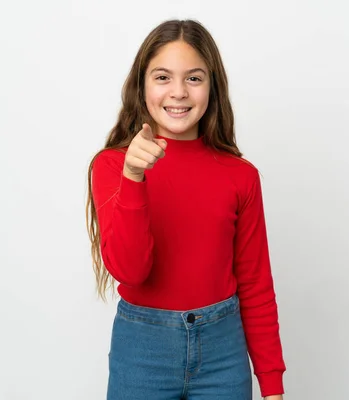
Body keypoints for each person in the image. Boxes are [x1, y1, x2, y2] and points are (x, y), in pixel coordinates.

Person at [86, 19, 286, 400]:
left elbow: (257, 285)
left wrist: (272, 385)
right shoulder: (113, 166)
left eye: (194, 78)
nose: (178, 92)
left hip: (223, 351)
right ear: (141, 85)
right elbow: (130, 270)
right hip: (143, 350)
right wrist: (133, 176)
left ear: (212, 86)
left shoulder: (240, 176)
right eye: (163, 77)